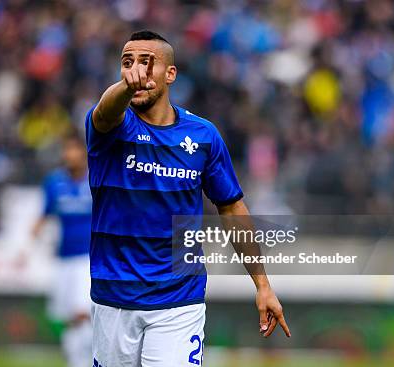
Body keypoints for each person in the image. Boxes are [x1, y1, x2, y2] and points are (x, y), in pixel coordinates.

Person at [86, 30, 290, 367]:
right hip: (114, 298)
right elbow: (105, 111)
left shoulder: (203, 136)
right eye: (127, 63)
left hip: (179, 298)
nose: (135, 70)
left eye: (146, 63)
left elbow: (231, 207)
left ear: (170, 74)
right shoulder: (110, 128)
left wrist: (262, 285)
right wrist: (125, 87)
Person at [30, 132, 93, 367]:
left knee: (81, 312)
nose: (69, 155)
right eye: (66, 150)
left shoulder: (95, 180)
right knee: (68, 317)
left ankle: (84, 361)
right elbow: (45, 214)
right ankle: (75, 359)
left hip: (87, 258)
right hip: (63, 257)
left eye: (74, 149)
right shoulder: (54, 182)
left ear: (84, 153)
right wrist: (28, 242)